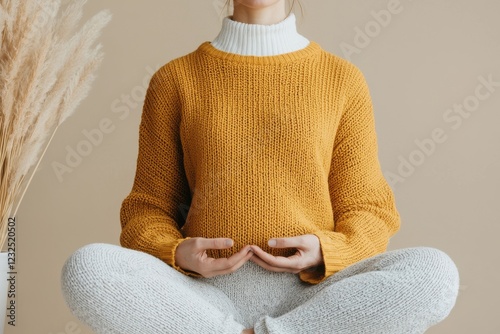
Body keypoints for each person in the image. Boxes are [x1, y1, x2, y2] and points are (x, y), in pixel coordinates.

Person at [60, 1, 460, 333]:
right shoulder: (176, 79)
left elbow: (370, 210)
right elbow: (147, 208)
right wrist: (178, 252)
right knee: (88, 268)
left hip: (315, 298)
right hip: (202, 299)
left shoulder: (342, 80)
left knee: (435, 273)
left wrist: (325, 250)